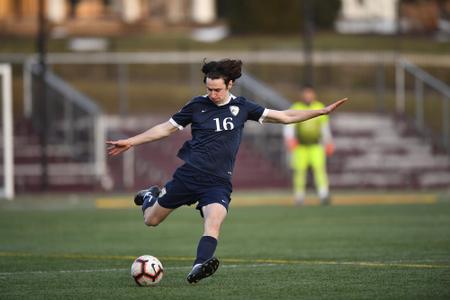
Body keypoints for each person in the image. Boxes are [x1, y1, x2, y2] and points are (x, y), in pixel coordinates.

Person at [106, 59, 347, 284]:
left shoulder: (242, 107)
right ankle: (150, 196)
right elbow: (165, 129)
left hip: (218, 182)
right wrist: (131, 141)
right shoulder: (196, 105)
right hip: (189, 176)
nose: (212, 94)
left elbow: (284, 116)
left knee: (214, 222)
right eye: (209, 89)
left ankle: (199, 265)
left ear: (230, 84)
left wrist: (320, 112)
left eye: (217, 90)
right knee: (151, 220)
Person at [283, 86, 335, 205]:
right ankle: (299, 197)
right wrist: (289, 139)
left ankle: (324, 194)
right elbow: (289, 126)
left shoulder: (319, 107)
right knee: (299, 172)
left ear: (314, 94)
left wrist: (329, 142)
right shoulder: (296, 107)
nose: (308, 96)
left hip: (315, 146)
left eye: (310, 94)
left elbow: (324, 128)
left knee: (319, 170)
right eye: (306, 94)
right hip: (300, 146)